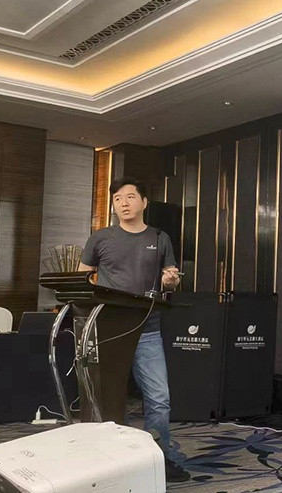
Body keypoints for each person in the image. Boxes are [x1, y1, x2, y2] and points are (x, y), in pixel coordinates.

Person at [78, 177, 190, 483]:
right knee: (110, 398)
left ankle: (158, 458)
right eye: (117, 199)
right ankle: (113, 462)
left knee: (159, 397)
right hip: (110, 330)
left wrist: (170, 281)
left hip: (147, 328)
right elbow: (80, 280)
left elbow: (169, 280)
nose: (123, 203)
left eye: (129, 197)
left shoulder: (159, 237)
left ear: (143, 202)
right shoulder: (100, 238)